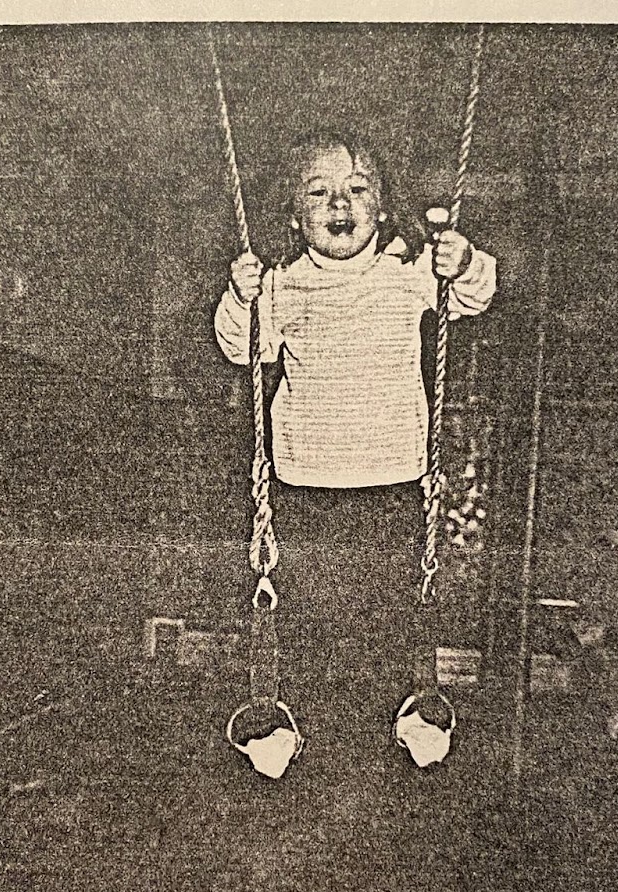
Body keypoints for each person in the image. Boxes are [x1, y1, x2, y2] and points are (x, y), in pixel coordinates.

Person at [213, 131, 497, 770]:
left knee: (397, 603)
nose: (340, 203)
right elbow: (240, 347)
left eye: (357, 189)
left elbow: (476, 295)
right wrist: (241, 295)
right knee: (302, 609)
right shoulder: (282, 286)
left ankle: (415, 705)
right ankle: (280, 717)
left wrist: (464, 259)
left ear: (382, 209)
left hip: (393, 473)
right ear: (295, 216)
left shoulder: (408, 273)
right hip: (304, 477)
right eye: (320, 193)